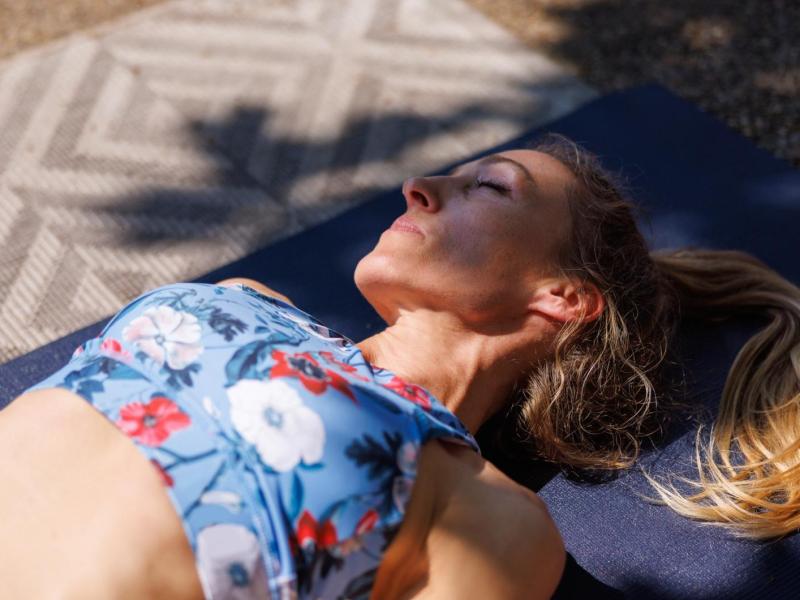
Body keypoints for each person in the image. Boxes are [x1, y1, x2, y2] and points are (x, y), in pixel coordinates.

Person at [1, 133, 797, 599]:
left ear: (561, 296)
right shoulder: (248, 298)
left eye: (487, 186)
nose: (417, 187)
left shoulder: (491, 523)